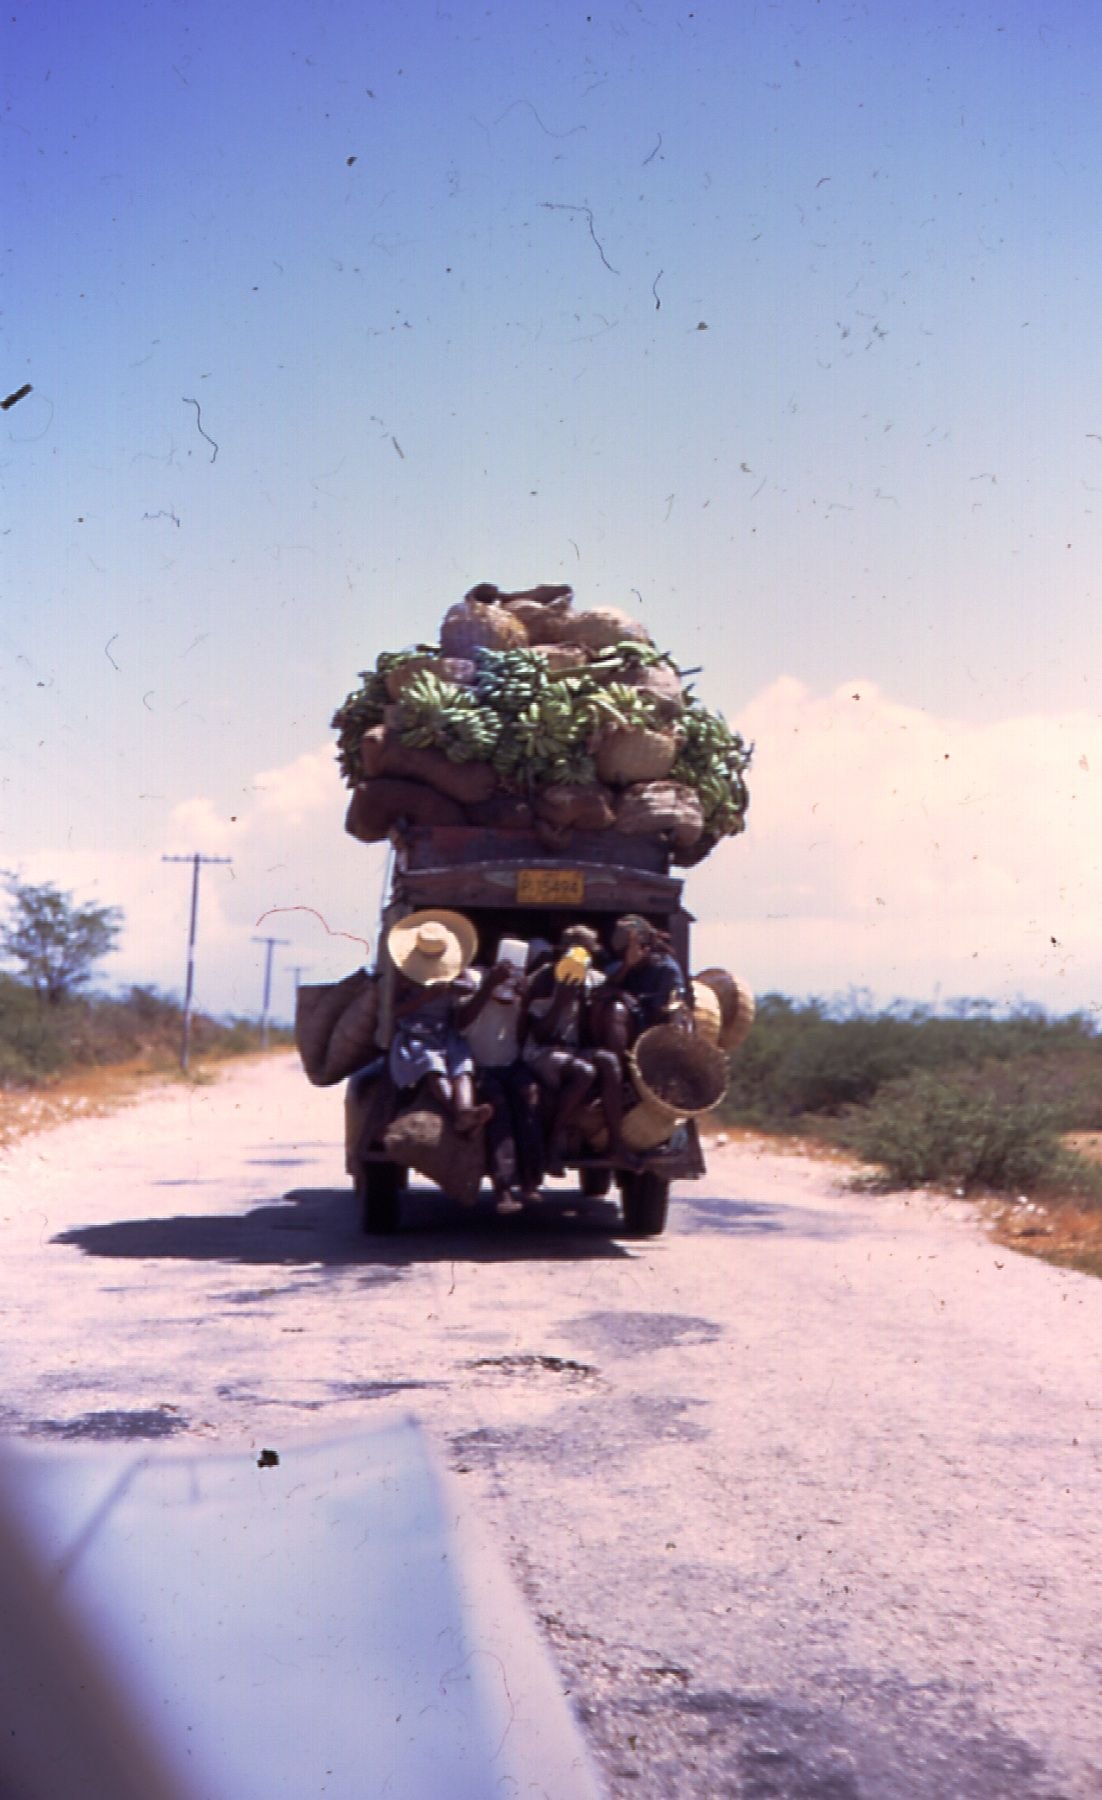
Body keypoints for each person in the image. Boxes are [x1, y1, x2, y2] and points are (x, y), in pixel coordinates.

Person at [587, 915, 691, 1165]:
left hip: (652, 1040)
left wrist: (634, 1004)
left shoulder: (665, 969)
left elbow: (668, 1012)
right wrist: (626, 967)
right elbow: (601, 990)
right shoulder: (623, 965)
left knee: (618, 1009)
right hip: (619, 1039)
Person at [386, 910, 492, 1136]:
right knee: (432, 1064)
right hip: (415, 1032)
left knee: (462, 1066)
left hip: (446, 1030)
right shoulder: (403, 973)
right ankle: (458, 1115)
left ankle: (466, 1109)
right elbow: (394, 1011)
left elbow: (470, 986)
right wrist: (423, 999)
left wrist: (451, 986)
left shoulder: (455, 967)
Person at [457, 938, 544, 1211]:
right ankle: (503, 1187)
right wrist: (489, 986)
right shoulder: (473, 977)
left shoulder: (521, 985)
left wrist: (523, 999)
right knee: (497, 1108)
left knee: (529, 1096)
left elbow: (520, 1033)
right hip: (479, 1063)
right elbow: (461, 1021)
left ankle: (530, 1178)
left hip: (510, 1062)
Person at [522, 925, 605, 1167]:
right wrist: (560, 1002)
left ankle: (614, 1140)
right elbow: (538, 1035)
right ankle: (553, 1137)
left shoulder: (592, 979)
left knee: (609, 1063)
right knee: (584, 1072)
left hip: (573, 1048)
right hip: (542, 1050)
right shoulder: (543, 979)